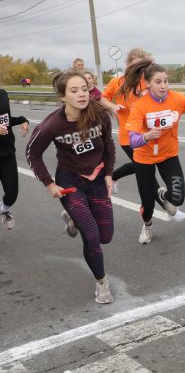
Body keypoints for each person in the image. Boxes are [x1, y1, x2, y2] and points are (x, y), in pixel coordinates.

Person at [25, 71, 116, 303]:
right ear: (62, 97)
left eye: (84, 89)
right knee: (92, 236)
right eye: (74, 91)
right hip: (70, 182)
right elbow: (32, 154)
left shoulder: (100, 115)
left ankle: (72, 218)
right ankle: (102, 283)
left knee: (106, 236)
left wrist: (108, 174)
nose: (82, 94)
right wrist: (49, 184)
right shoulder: (52, 124)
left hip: (95, 178)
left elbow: (108, 146)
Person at [122, 60, 185, 244]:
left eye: (166, 81)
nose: (163, 86)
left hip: (168, 155)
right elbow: (132, 141)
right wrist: (147, 137)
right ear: (148, 84)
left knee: (177, 198)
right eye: (158, 82)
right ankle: (148, 225)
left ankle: (162, 194)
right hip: (144, 158)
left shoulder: (178, 99)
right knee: (148, 206)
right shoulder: (140, 106)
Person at [100, 48, 173, 220]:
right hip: (129, 136)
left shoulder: (147, 81)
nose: (138, 70)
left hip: (150, 135)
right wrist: (113, 107)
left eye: (141, 66)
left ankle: (113, 177)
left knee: (145, 168)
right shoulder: (118, 82)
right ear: (127, 66)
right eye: (134, 66)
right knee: (146, 172)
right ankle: (167, 206)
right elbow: (103, 98)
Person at [0, 88, 29, 229]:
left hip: (7, 153)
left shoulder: (3, 94)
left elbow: (5, 119)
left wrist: (22, 120)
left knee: (12, 194)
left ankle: (4, 210)